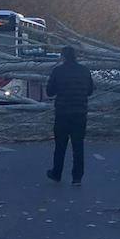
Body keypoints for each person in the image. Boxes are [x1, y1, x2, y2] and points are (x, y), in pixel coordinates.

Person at [46, 46, 95, 186]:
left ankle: (57, 173)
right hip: (80, 112)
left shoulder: (58, 71)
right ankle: (77, 177)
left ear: (63, 56)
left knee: (60, 145)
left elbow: (50, 92)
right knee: (78, 145)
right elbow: (90, 90)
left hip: (62, 112)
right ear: (76, 56)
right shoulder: (85, 71)